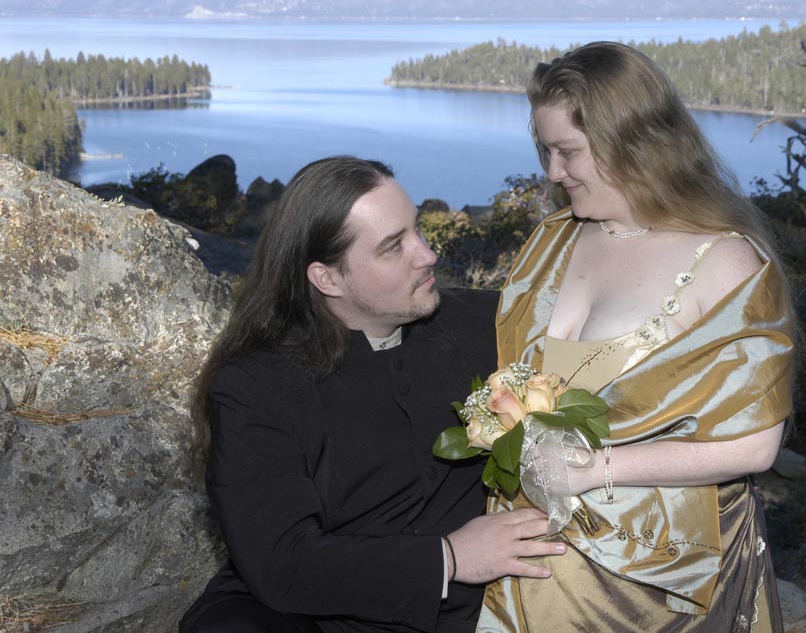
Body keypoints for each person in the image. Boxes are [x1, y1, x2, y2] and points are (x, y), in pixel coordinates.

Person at [477, 42, 795, 632]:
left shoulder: (724, 264)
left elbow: (755, 447)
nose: (552, 172)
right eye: (546, 150)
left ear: (633, 141)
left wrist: (592, 469)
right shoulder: (553, 240)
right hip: (531, 556)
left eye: (568, 152)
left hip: (652, 584)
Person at [179, 156, 566, 633]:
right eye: (392, 247)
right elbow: (282, 562)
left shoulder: (484, 324)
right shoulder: (256, 385)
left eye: (417, 230)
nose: (426, 255)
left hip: (461, 615)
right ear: (327, 278)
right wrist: (448, 558)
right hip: (306, 614)